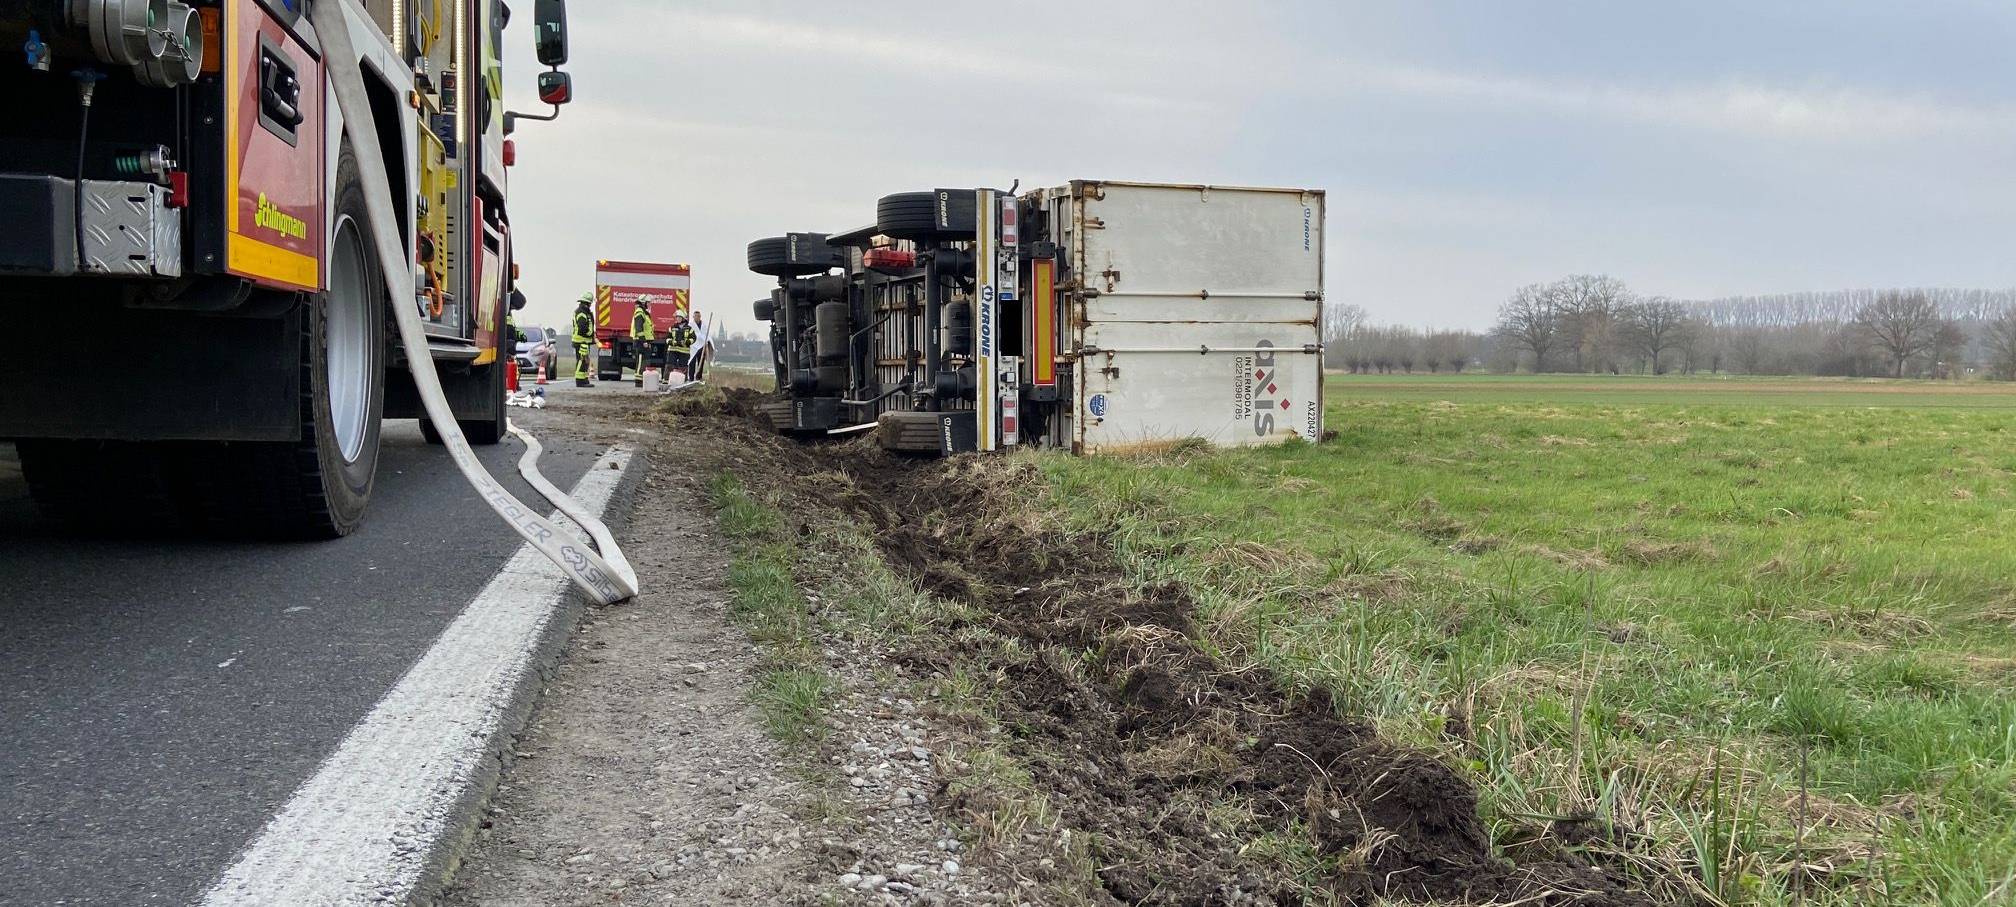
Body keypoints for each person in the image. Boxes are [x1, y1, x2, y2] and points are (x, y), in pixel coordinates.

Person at [630, 295, 657, 387]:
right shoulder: (640, 312)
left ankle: (641, 380)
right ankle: (638, 381)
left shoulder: (644, 312)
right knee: (641, 361)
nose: (649, 304)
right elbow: (639, 329)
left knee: (645, 361)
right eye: (648, 302)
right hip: (641, 342)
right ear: (643, 302)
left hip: (645, 341)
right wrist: (644, 341)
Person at [664, 311, 697, 384]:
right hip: (673, 350)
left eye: (679, 317)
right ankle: (666, 381)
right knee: (670, 365)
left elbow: (694, 338)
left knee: (683, 367)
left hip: (684, 351)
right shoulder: (672, 328)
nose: (677, 319)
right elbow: (667, 338)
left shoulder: (689, 329)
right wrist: (672, 342)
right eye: (677, 317)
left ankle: (682, 383)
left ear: (683, 318)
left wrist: (687, 342)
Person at [571, 293, 595, 388]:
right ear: (587, 303)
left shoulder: (584, 312)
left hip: (584, 341)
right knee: (581, 361)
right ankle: (580, 381)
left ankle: (584, 379)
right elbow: (582, 328)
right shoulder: (581, 313)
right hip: (581, 341)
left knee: (585, 361)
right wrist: (590, 333)